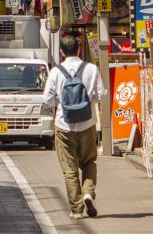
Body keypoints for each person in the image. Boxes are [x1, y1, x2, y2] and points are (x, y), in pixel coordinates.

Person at [42, 34, 106, 219]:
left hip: (64, 125)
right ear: (79, 49)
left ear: (62, 52)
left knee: (70, 170)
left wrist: (61, 103)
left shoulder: (56, 71)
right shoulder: (91, 69)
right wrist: (89, 101)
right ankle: (88, 193)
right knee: (89, 162)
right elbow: (101, 94)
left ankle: (77, 210)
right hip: (87, 123)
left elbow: (47, 99)